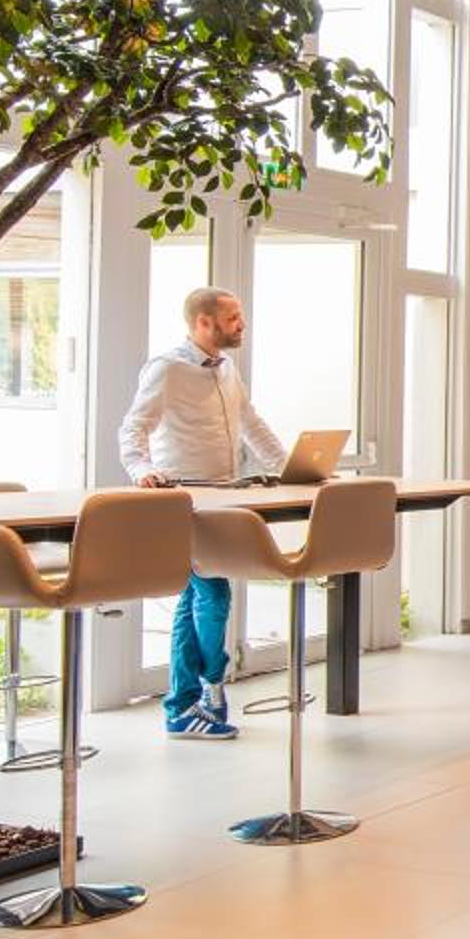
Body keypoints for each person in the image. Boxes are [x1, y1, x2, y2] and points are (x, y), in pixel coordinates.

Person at [118, 285, 287, 739]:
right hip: (184, 501)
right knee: (213, 594)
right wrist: (141, 470)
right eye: (233, 318)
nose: (242, 324)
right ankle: (211, 686)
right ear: (203, 322)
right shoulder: (167, 368)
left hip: (225, 497)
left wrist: (291, 468)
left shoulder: (227, 368)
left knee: (195, 598)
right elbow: (133, 428)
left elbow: (251, 423)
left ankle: (183, 705)